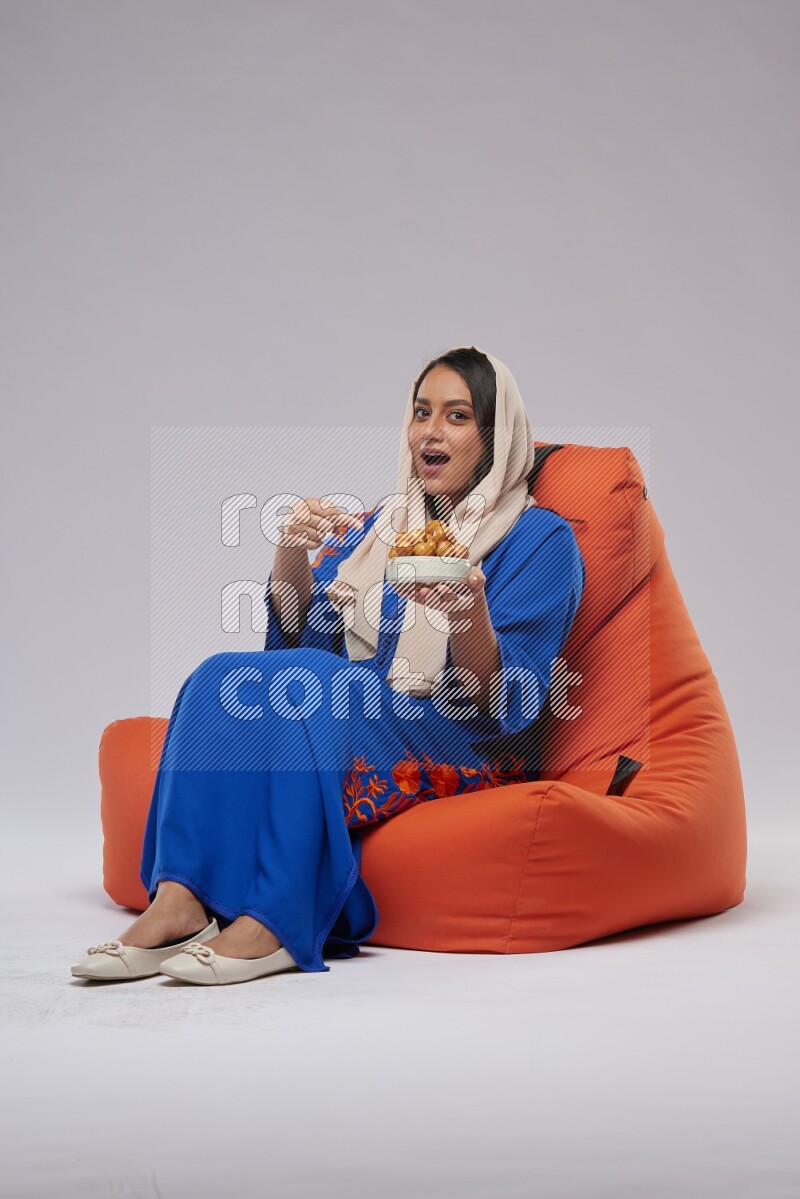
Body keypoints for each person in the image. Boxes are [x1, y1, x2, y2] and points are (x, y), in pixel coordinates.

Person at [70, 346, 585, 986]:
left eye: (457, 416)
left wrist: (467, 609)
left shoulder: (542, 539)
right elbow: (291, 650)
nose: (430, 430)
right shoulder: (380, 528)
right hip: (358, 703)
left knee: (316, 688)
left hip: (461, 731)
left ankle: (277, 922)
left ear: (495, 435)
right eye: (422, 412)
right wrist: (290, 551)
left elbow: (504, 703)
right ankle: (179, 899)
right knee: (216, 676)